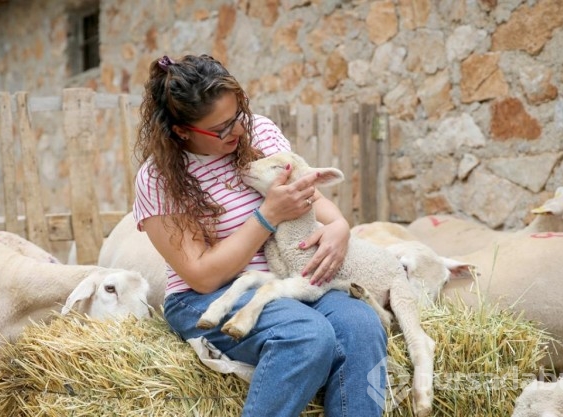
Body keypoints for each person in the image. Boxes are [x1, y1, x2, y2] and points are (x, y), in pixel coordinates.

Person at [132, 54, 387, 417]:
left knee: (361, 325)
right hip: (210, 295)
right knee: (305, 336)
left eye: (238, 116)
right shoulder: (158, 178)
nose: (237, 131)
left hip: (286, 276)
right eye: (221, 129)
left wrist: (340, 228)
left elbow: (314, 199)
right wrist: (267, 215)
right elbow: (202, 275)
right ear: (181, 131)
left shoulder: (261, 132)